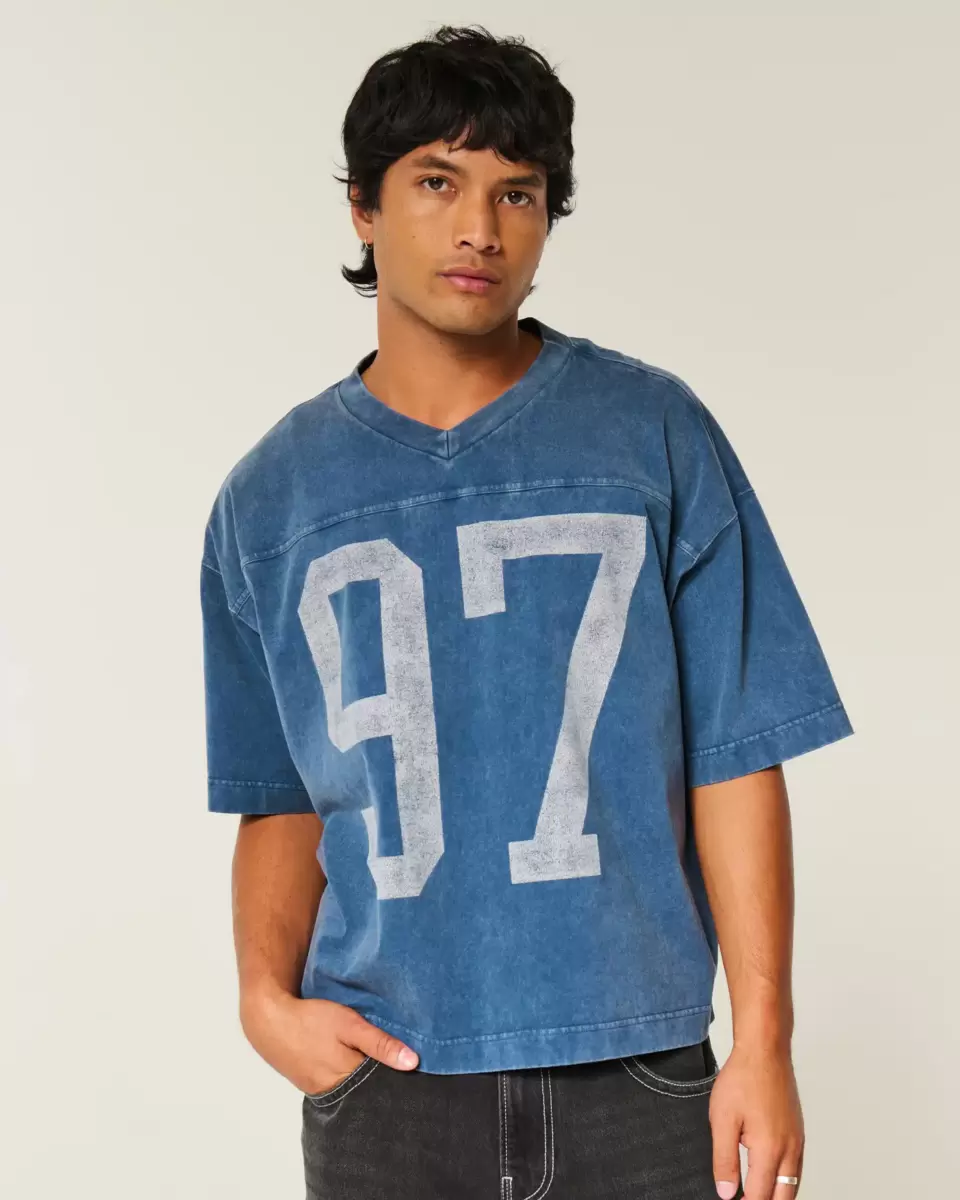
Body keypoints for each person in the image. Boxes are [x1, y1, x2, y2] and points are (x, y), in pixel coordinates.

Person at [199, 24, 853, 1200]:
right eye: (437, 184)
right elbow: (279, 791)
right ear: (362, 206)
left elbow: (737, 754)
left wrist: (764, 1040)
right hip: (388, 1083)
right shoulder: (272, 497)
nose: (480, 230)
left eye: (518, 194)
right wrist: (262, 999)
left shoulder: (652, 436)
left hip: (641, 1073)